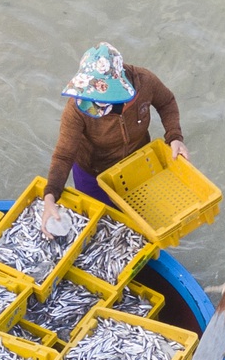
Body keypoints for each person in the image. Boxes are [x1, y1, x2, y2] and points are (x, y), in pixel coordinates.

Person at [39, 43, 186, 230]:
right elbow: (63, 155)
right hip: (93, 173)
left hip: (136, 166)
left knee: (141, 221)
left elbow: (167, 102)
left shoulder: (145, 82)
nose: (96, 106)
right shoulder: (76, 109)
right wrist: (50, 196)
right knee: (101, 226)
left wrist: (174, 137)